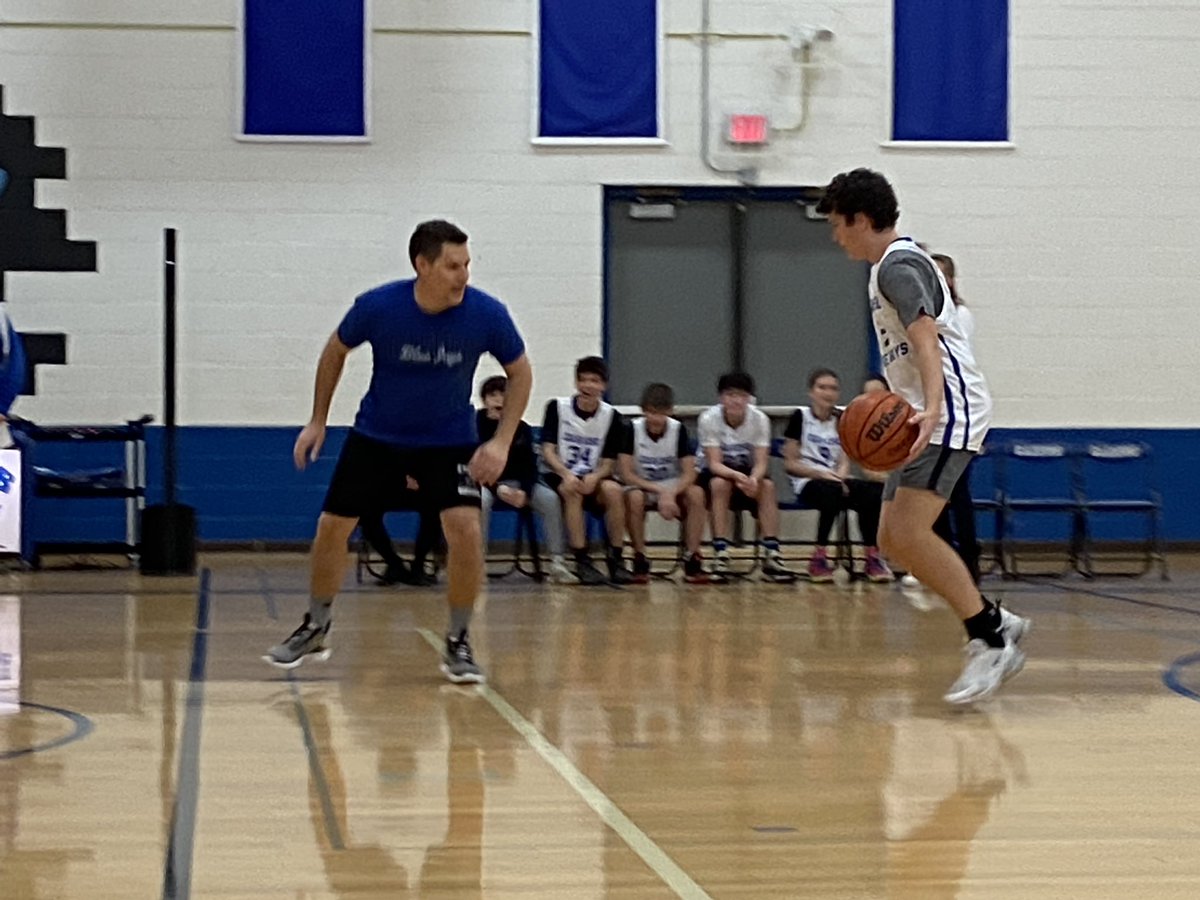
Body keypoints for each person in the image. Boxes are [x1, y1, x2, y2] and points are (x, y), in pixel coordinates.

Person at [264, 219, 532, 684]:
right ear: (421, 265)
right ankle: (316, 625)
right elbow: (335, 350)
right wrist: (317, 419)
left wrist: (501, 441)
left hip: (448, 440)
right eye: (452, 266)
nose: (463, 275)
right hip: (378, 437)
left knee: (466, 530)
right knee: (332, 527)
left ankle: (459, 641)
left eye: (467, 264)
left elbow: (521, 372)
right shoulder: (379, 306)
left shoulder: (487, 314)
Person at [817, 169, 1027, 704]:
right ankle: (993, 622)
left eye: (838, 224)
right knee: (892, 536)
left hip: (947, 410)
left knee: (908, 534)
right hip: (931, 409)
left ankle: (990, 637)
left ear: (862, 220)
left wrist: (932, 406)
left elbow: (924, 335)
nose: (834, 234)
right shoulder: (892, 265)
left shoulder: (899, 266)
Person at [782, 367, 892, 583]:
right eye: (822, 387)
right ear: (811, 392)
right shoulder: (800, 417)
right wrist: (822, 474)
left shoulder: (843, 419)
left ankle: (871, 555)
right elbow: (790, 463)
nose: (828, 392)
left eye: (833, 388)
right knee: (831, 493)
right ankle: (819, 557)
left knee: (873, 492)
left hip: (835, 479)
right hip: (808, 481)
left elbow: (843, 460)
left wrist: (840, 478)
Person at [540, 357, 633, 585]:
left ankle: (616, 558)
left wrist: (596, 476)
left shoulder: (612, 417)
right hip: (561, 473)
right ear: (576, 383)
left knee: (613, 490)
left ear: (603, 386)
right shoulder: (557, 408)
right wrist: (565, 473)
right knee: (572, 490)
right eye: (583, 380)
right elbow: (548, 451)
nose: (588, 385)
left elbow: (609, 462)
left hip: (594, 475)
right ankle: (582, 559)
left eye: (594, 381)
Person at [696, 372, 795, 583]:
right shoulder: (709, 419)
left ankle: (772, 554)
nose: (736, 400)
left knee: (767, 486)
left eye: (741, 395)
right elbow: (714, 463)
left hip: (747, 471)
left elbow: (761, 462)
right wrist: (738, 477)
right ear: (721, 398)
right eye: (730, 395)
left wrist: (753, 479)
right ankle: (720, 553)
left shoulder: (760, 420)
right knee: (719, 484)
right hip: (718, 473)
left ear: (749, 398)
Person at [476, 375, 575, 584]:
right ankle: (477, 562)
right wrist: (498, 489)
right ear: (484, 400)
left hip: (518, 485)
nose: (498, 400)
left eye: (503, 394)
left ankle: (557, 561)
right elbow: (474, 466)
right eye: (492, 395)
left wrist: (525, 492)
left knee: (549, 498)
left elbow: (530, 467)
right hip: (485, 483)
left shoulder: (522, 428)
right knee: (481, 501)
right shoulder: (474, 425)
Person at [618, 382, 709, 584]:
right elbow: (626, 473)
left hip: (671, 483)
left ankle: (692, 556)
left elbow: (689, 472)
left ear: (670, 411)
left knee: (696, 494)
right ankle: (639, 556)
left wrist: (671, 492)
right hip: (642, 483)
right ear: (643, 410)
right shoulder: (630, 429)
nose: (655, 419)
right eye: (651, 412)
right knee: (633, 498)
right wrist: (661, 491)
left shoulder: (679, 430)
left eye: (660, 413)